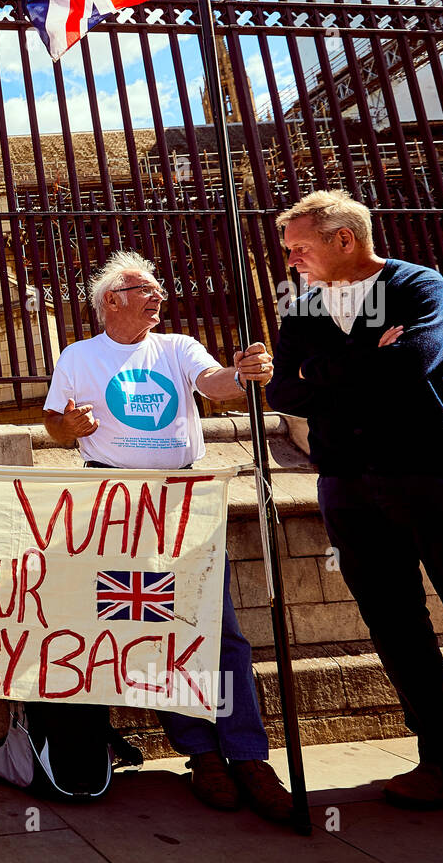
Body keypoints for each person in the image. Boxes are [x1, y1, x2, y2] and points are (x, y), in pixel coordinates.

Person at [265, 189, 443, 847]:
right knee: (395, 627)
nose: (290, 260)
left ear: (342, 240)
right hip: (349, 485)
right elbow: (282, 388)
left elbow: (412, 364)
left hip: (435, 474)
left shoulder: (415, 285)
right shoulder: (301, 305)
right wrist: (358, 361)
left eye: (299, 247)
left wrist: (320, 371)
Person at [42, 249, 294, 824]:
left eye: (159, 288)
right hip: (116, 503)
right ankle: (201, 753)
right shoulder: (79, 356)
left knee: (219, 627)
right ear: (112, 299)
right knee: (154, 629)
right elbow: (54, 423)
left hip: (185, 496)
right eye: (145, 289)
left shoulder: (177, 347)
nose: (159, 296)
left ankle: (249, 755)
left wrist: (247, 372)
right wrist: (69, 427)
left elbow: (216, 385)